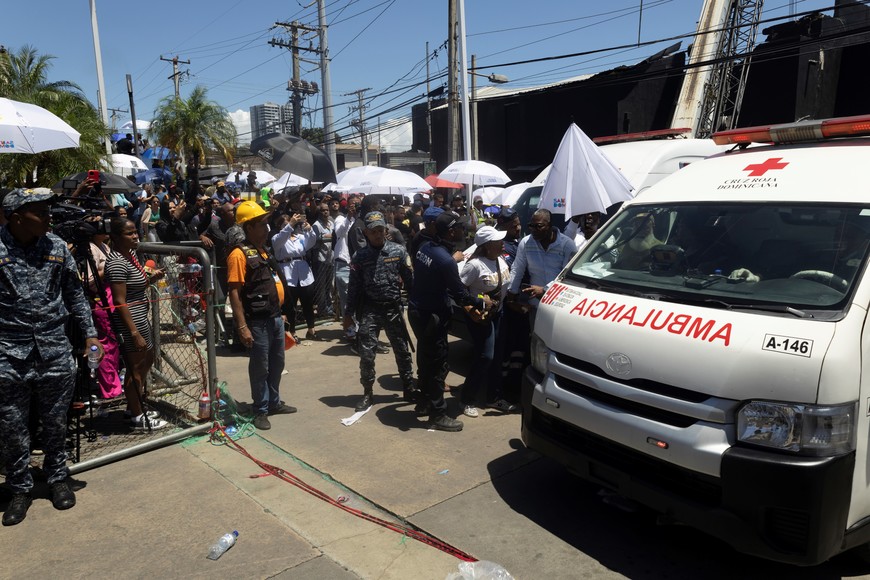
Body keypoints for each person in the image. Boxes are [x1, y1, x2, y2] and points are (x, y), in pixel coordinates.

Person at [0, 188, 104, 526]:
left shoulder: (57, 247)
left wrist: (90, 334)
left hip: (54, 350)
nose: (48, 217)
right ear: (16, 216)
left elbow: (75, 294)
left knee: (56, 422)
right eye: (39, 211)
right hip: (8, 354)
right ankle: (19, 489)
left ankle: (58, 478)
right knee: (13, 428)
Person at [408, 211, 490, 432]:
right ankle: (438, 413)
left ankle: (424, 402)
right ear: (452, 231)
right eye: (461, 228)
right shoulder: (445, 260)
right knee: (437, 365)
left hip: (417, 311)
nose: (464, 231)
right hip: (432, 316)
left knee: (425, 361)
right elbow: (460, 295)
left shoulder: (425, 248)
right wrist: (481, 302)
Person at [227, 201, 296, 431]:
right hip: (256, 322)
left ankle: (274, 403)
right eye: (263, 225)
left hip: (275, 318)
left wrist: (282, 313)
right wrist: (242, 326)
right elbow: (234, 293)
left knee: (277, 363)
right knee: (261, 367)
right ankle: (261, 409)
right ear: (249, 228)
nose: (267, 229)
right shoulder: (238, 255)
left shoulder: (263, 250)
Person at [344, 211, 416, 412]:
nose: (378, 234)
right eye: (373, 231)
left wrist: (416, 306)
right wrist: (348, 315)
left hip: (393, 308)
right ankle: (367, 393)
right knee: (367, 355)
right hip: (370, 310)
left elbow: (411, 283)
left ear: (386, 230)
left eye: (381, 230)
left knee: (402, 350)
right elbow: (354, 288)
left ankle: (409, 387)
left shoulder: (399, 252)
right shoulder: (360, 257)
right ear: (366, 233)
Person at [105, 218, 169, 431]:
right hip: (130, 322)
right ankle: (137, 417)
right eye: (129, 233)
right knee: (136, 369)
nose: (135, 236)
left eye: (135, 232)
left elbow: (135, 287)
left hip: (140, 317)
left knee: (146, 360)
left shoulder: (130, 255)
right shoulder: (116, 262)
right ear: (115, 237)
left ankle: (134, 407)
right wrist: (133, 333)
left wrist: (151, 278)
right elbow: (119, 301)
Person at [458, 226, 516, 417]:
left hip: (499, 315)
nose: (502, 243)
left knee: (497, 357)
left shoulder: (500, 259)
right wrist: (472, 306)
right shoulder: (474, 265)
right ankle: (467, 399)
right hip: (480, 319)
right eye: (498, 241)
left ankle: (493, 397)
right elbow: (459, 290)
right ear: (486, 246)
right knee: (485, 357)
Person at [506, 209, 577, 312]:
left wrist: (545, 290)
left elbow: (567, 276)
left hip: (558, 305)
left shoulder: (567, 245)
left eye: (539, 226)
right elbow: (517, 270)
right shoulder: (526, 243)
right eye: (531, 226)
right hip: (534, 305)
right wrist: (511, 295)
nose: (534, 230)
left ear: (550, 226)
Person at [84, 222, 123, 399]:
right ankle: (109, 389)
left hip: (111, 300)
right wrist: (108, 269)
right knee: (104, 346)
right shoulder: (90, 248)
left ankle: (113, 383)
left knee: (113, 345)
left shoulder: (105, 246)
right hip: (99, 301)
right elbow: (89, 280)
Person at [271, 210, 319, 342]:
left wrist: (309, 230)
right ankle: (292, 331)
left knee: (307, 303)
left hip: (304, 273)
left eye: (291, 224)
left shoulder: (300, 237)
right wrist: (290, 225)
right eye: (286, 225)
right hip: (288, 273)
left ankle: (311, 329)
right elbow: (280, 239)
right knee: (290, 305)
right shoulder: (277, 238)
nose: (291, 227)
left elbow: (311, 242)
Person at [333, 196, 359, 343]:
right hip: (344, 263)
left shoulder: (361, 222)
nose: (354, 207)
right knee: (347, 300)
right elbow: (340, 233)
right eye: (352, 205)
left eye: (357, 204)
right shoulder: (340, 219)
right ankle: (350, 330)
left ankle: (359, 328)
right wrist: (349, 217)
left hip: (358, 264)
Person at [311, 202, 335, 319]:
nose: (325, 212)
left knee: (329, 285)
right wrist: (327, 237)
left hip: (331, 258)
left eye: (327, 210)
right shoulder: (316, 225)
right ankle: (322, 309)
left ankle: (329, 308)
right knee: (321, 286)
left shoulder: (331, 223)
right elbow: (314, 241)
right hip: (321, 258)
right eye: (323, 210)